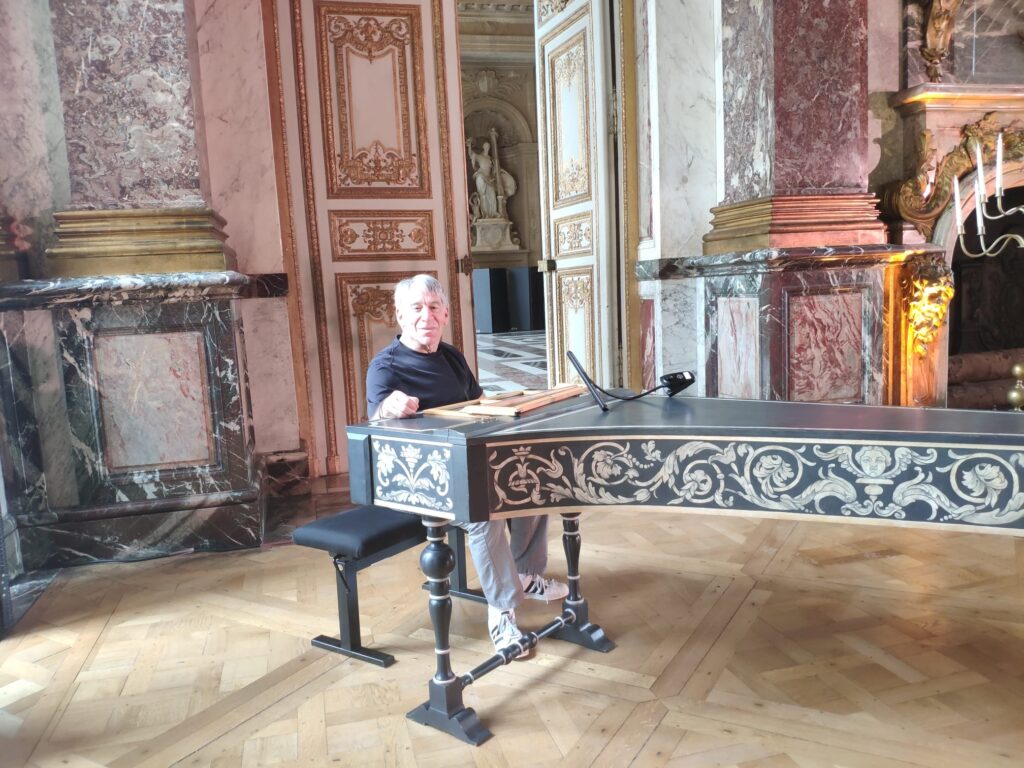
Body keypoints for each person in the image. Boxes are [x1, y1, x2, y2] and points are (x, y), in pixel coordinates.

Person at [366, 274, 568, 657]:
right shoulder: (385, 367)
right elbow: (376, 423)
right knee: (483, 511)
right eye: (416, 308)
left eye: (433, 308)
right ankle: (503, 611)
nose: (426, 316)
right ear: (400, 316)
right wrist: (385, 411)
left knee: (531, 480)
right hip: (419, 481)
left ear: (445, 315)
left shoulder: (452, 356)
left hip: (467, 467)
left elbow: (479, 404)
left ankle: (525, 575)